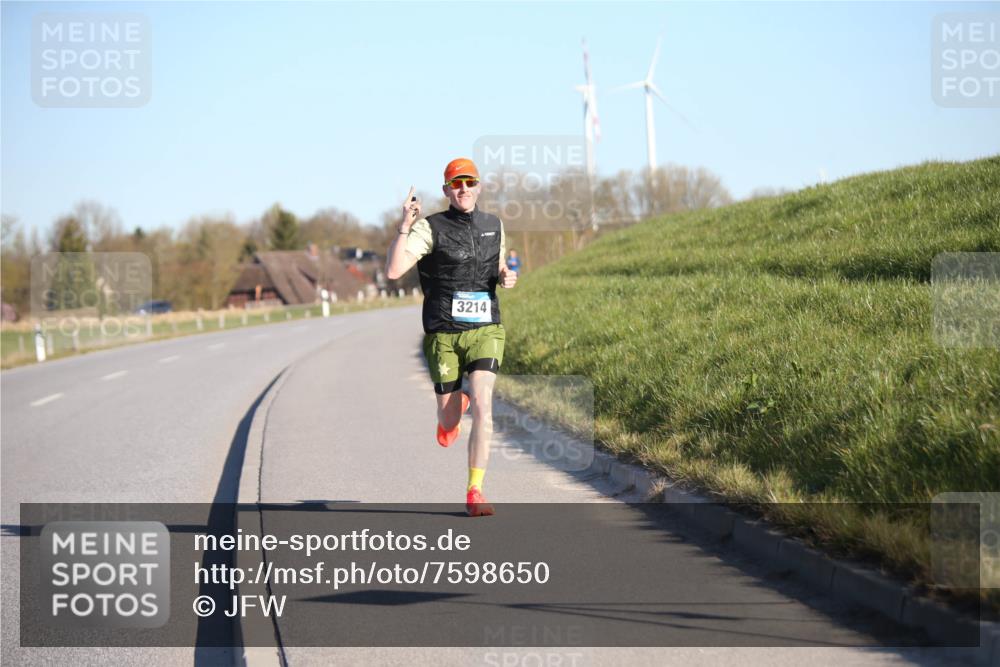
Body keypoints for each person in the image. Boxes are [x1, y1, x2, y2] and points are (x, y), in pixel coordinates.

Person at [385, 158, 517, 516]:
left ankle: (475, 490)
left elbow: (500, 265)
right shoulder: (431, 228)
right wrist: (404, 227)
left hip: (485, 329)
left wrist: (506, 275)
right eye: (455, 184)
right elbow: (395, 270)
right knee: (448, 423)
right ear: (446, 191)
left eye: (469, 182)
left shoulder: (494, 225)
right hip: (444, 332)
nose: (463, 189)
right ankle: (454, 407)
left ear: (479, 187)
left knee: (485, 404)